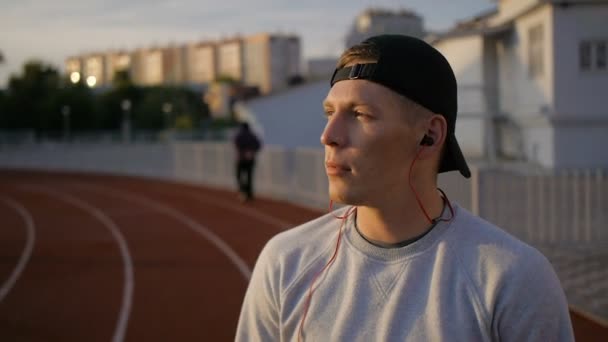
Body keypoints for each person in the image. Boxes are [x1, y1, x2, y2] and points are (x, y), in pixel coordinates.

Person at [236, 35, 574, 341]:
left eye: (360, 114)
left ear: (430, 136)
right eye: (330, 113)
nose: (329, 136)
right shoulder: (284, 263)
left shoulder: (513, 281)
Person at [233, 122, 262, 202]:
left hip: (241, 159)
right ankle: (249, 194)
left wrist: (242, 152)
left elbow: (236, 144)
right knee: (249, 176)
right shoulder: (253, 135)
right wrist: (252, 152)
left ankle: (243, 190)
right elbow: (258, 145)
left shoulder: (239, 135)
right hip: (250, 159)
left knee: (239, 176)